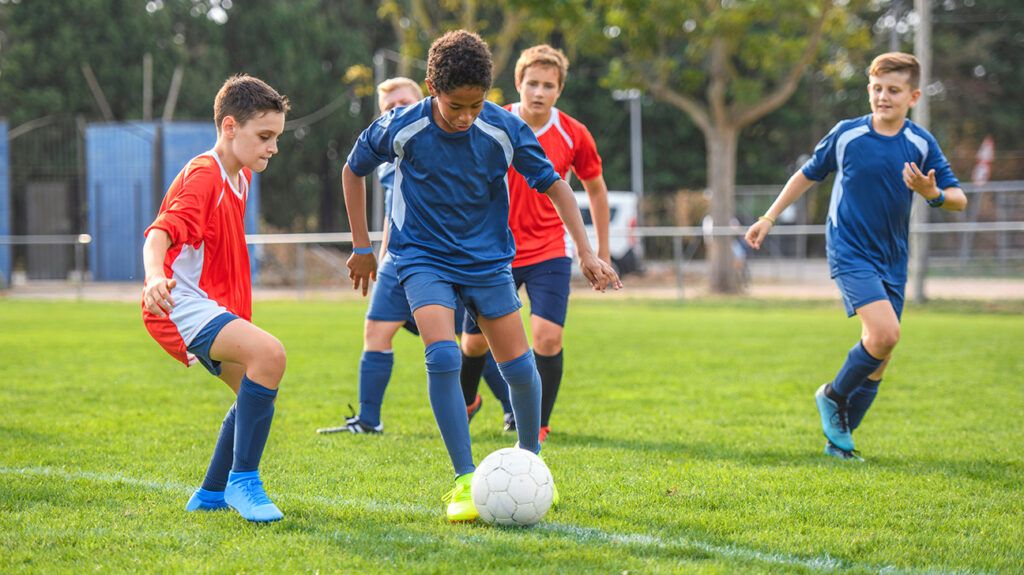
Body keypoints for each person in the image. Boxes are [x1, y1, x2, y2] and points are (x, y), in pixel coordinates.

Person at [342, 30, 620, 522]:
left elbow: (556, 186)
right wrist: (362, 245)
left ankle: (531, 464)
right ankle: (465, 479)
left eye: (476, 105)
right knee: (445, 354)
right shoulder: (399, 126)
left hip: (489, 262)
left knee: (519, 368)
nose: (466, 116)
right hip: (422, 257)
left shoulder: (504, 129)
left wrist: (587, 251)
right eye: (455, 106)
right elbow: (353, 168)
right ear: (432, 87)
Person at [744, 52, 966, 460]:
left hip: (893, 258)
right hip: (849, 249)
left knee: (879, 356)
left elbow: (958, 199)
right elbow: (806, 174)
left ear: (913, 96)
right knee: (886, 334)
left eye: (893, 90)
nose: (883, 97)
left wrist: (931, 194)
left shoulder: (920, 142)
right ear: (869, 90)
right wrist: (768, 218)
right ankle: (831, 396)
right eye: (877, 88)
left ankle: (839, 445)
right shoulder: (847, 134)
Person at [316, 77, 511, 435]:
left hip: (442, 257)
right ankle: (369, 420)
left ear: (425, 97)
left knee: (464, 343)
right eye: (389, 108)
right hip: (398, 258)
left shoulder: (440, 140)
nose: (396, 111)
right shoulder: (389, 152)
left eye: (403, 102)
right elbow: (387, 205)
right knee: (376, 330)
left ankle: (511, 408)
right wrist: (373, 251)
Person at [141, 74, 290, 522]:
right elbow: (160, 234)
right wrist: (152, 279)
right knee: (271, 355)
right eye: (265, 136)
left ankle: (209, 493)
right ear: (229, 127)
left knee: (250, 388)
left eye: (276, 137)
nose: (273, 148)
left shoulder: (239, 176)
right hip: (180, 305)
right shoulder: (204, 175)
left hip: (210, 305)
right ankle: (242, 482)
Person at [458, 44, 611, 444]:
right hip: (492, 251)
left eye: (548, 85)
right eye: (532, 83)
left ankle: (537, 424)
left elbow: (595, 190)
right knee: (473, 343)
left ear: (559, 90)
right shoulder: (489, 120)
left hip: (549, 251)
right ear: (518, 83)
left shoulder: (573, 134)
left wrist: (598, 250)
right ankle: (469, 400)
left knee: (547, 337)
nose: (539, 92)